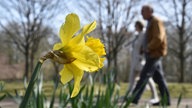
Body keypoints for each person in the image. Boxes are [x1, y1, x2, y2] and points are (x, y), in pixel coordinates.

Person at [129, 5, 171, 106]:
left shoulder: (156, 21)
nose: (141, 13)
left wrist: (148, 47)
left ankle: (134, 98)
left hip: (154, 54)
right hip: (152, 53)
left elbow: (158, 38)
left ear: (150, 12)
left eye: (143, 11)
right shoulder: (150, 22)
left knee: (144, 75)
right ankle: (166, 100)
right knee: (159, 78)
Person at [128, 20, 159, 103]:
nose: (135, 27)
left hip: (140, 60)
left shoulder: (144, 34)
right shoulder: (136, 35)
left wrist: (143, 53)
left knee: (147, 78)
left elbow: (144, 46)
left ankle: (155, 96)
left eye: (136, 25)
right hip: (134, 60)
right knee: (132, 79)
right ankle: (129, 95)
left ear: (139, 25)